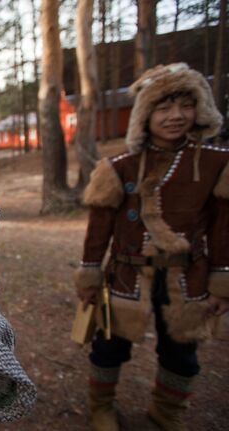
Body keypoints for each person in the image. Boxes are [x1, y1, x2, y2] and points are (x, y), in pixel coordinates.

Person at [74, 63, 229, 431]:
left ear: (200, 109)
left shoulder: (216, 163)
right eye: (163, 107)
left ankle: (167, 413)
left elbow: (224, 228)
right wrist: (90, 276)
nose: (176, 116)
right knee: (109, 346)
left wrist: (222, 281)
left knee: (181, 353)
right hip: (126, 276)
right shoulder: (118, 168)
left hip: (188, 278)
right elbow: (98, 232)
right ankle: (101, 409)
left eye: (186, 105)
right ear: (145, 114)